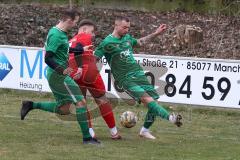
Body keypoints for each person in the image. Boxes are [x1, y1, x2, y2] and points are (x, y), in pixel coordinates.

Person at [94, 16, 183, 140]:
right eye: (124, 27)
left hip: (139, 74)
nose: (127, 30)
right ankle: (171, 118)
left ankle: (144, 131)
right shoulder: (107, 43)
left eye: (128, 28)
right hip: (126, 79)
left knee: (154, 101)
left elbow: (140, 42)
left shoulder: (127, 38)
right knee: (148, 100)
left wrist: (156, 34)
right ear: (116, 25)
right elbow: (94, 59)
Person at [20, 9, 100, 144]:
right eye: (75, 22)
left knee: (64, 109)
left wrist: (80, 50)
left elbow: (64, 49)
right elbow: (48, 58)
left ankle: (31, 105)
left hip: (56, 75)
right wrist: (63, 70)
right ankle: (87, 138)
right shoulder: (56, 35)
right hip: (58, 75)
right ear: (69, 20)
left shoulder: (60, 33)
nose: (75, 25)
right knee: (81, 102)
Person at [68, 19, 121, 140]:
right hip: (87, 70)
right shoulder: (85, 36)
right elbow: (82, 50)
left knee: (82, 103)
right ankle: (114, 132)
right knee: (102, 100)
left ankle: (90, 132)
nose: (92, 35)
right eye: (92, 32)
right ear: (84, 29)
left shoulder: (70, 41)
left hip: (73, 73)